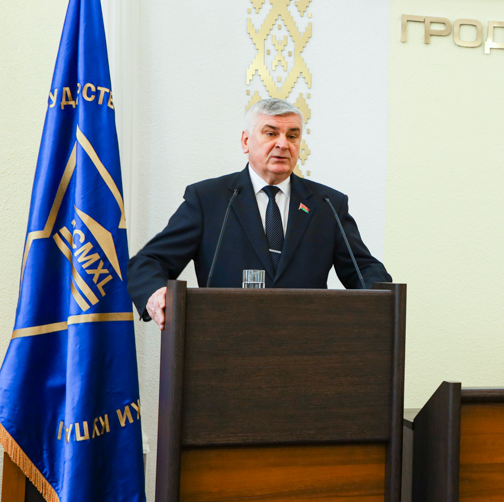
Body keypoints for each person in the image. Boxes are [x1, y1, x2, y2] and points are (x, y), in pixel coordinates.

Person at [128, 98, 390, 329]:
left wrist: (378, 300)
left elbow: (363, 268)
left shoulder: (327, 203)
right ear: (245, 141)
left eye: (292, 135)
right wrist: (155, 292)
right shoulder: (209, 199)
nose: (283, 144)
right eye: (271, 133)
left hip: (308, 347)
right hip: (222, 345)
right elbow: (149, 262)